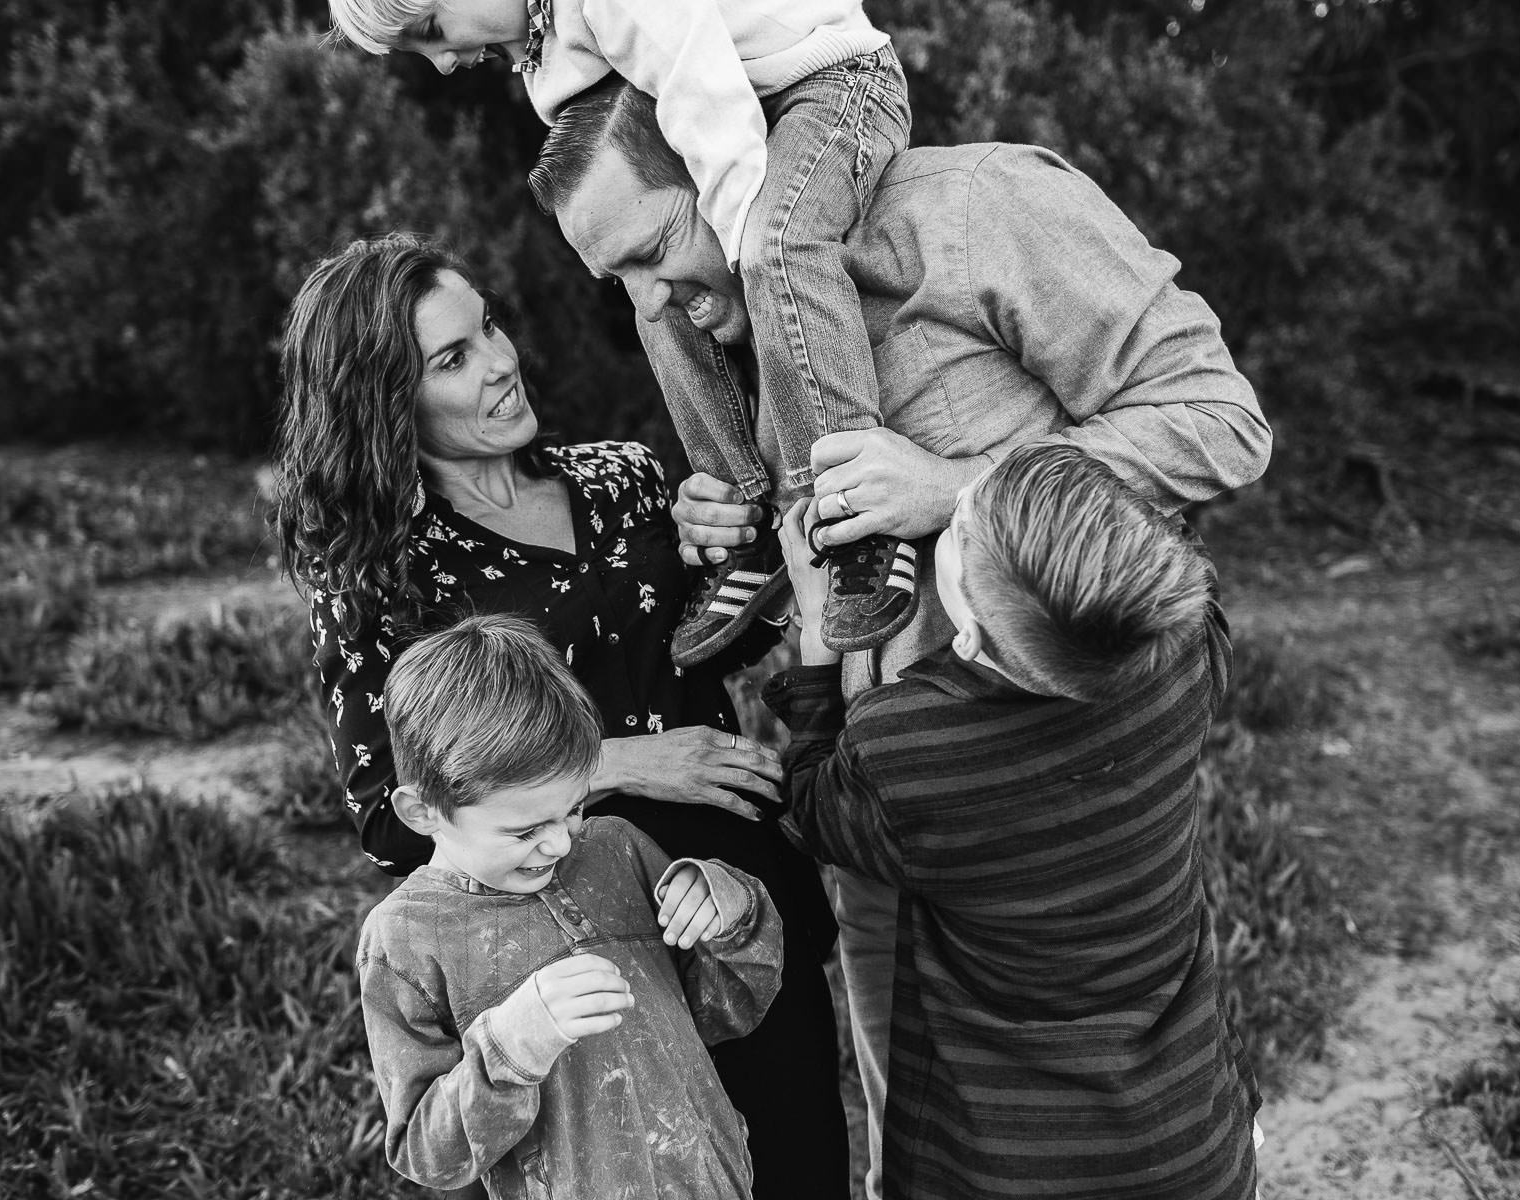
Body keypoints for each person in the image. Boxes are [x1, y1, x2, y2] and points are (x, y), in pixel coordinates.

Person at [529, 80, 1273, 1200]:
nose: (652, 305)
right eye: (618, 283)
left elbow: (1224, 425)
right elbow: (828, 568)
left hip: (1062, 790)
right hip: (885, 810)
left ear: (727, 169)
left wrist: (958, 488)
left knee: (1107, 1085)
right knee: (932, 1126)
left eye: (655, 250)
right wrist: (733, 544)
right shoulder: (727, 325)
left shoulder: (981, 209)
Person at [272, 233, 852, 1198]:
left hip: (728, 888)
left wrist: (725, 557)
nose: (500, 363)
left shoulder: (618, 475)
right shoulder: (384, 578)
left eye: (488, 328)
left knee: (797, 1161)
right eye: (452, 359)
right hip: (569, 923)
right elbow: (388, 811)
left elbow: (714, 642)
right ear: (386, 404)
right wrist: (625, 764)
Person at [326, 0, 921, 661]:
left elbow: (705, 98)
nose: (441, 64)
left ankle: (852, 507)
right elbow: (603, 156)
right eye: (419, 51)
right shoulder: (541, 54)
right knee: (655, 302)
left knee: (775, 246)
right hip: (738, 121)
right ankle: (743, 523)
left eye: (434, 30)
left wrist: (740, 266)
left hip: (829, 88)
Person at [763, 442, 1260, 1199]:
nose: (951, 502)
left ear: (962, 635)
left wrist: (817, 642)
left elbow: (815, 807)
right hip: (1186, 1137)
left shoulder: (909, 747)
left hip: (1002, 1162)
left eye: (957, 527)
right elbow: (1194, 588)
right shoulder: (1183, 655)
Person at [357, 611, 784, 1196]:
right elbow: (429, 1155)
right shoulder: (404, 937)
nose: (560, 842)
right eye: (525, 830)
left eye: (574, 808)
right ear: (422, 812)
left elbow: (727, 1010)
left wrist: (727, 910)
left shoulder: (617, 850)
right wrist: (512, 1045)